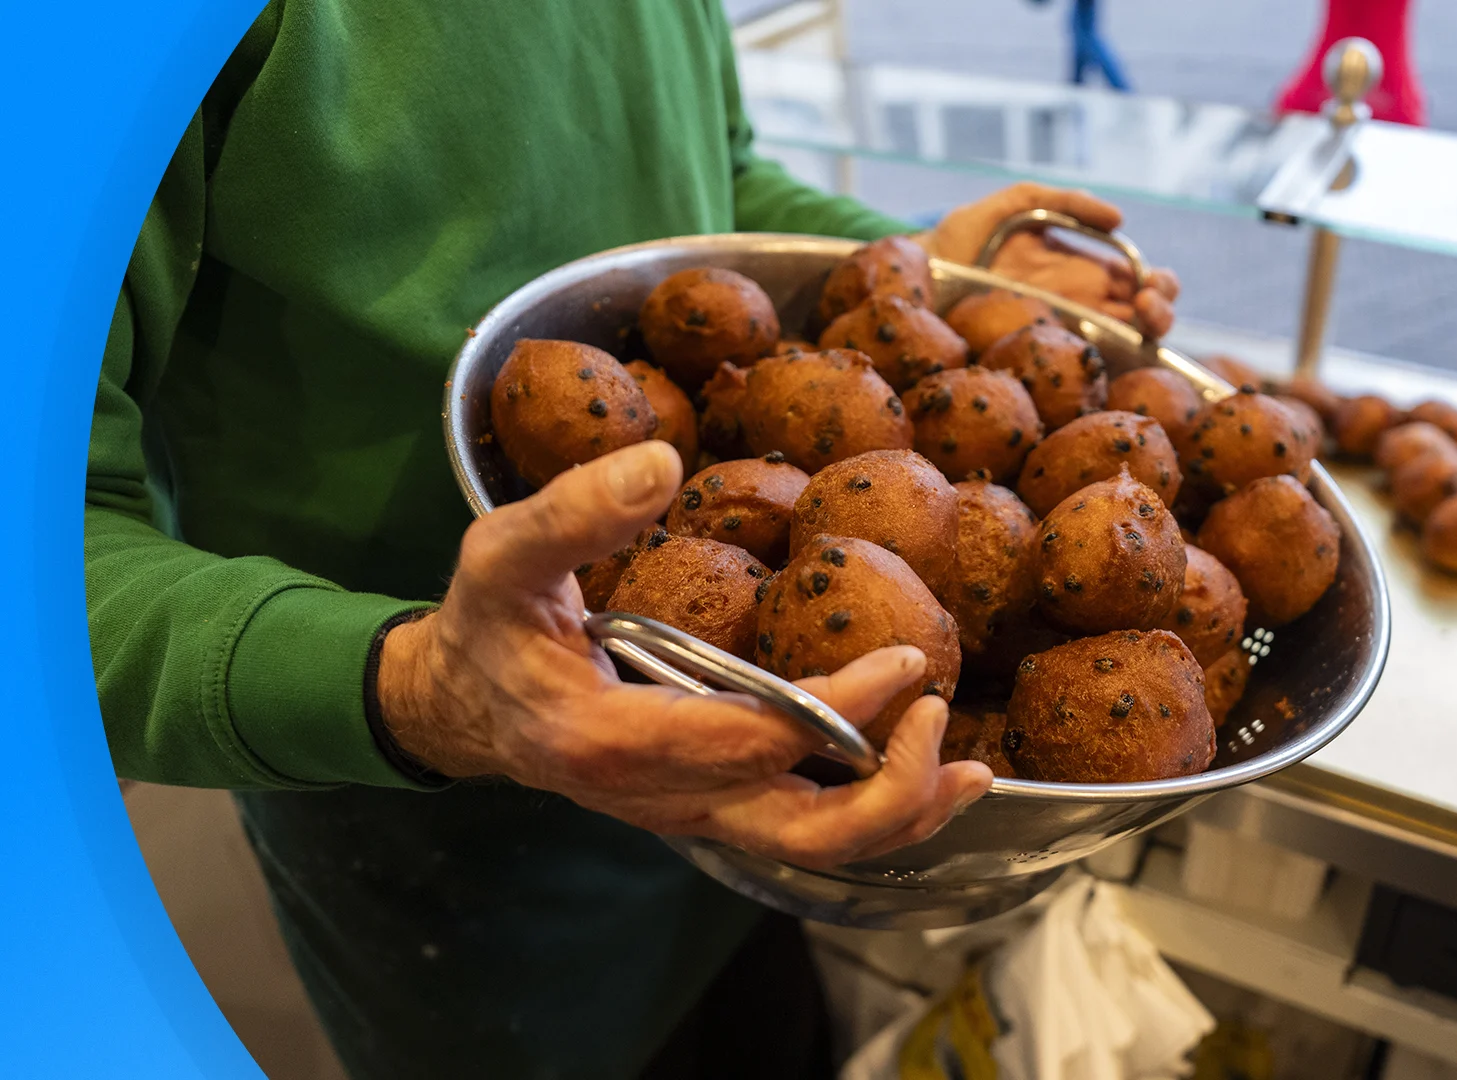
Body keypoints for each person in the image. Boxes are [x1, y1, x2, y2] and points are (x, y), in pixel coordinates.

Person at [91, 2, 1178, 1078]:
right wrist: (430, 690)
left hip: (765, 773)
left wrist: (904, 274)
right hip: (439, 828)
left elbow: (712, 174)